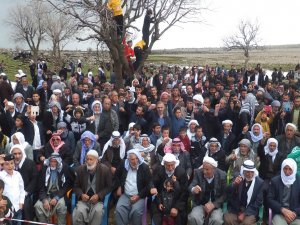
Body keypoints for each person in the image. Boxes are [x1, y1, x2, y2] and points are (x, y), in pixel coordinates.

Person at [72, 150, 112, 225]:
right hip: (84, 200)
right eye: (87, 159)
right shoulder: (80, 170)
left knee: (98, 212)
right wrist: (81, 195)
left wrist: (99, 195)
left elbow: (109, 187)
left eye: (91, 159)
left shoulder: (105, 170)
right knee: (78, 212)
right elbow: (76, 186)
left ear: (97, 160)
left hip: (98, 201)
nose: (89, 161)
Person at [114, 149, 151, 225]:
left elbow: (148, 185)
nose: (135, 161)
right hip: (126, 194)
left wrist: (138, 196)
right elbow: (116, 176)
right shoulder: (124, 164)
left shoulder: (144, 167)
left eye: (136, 158)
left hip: (140, 195)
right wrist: (119, 187)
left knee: (136, 211)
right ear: (128, 159)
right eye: (132, 159)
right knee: (119, 209)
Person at [34, 153, 73, 225]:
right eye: (51, 161)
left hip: (59, 194)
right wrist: (44, 200)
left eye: (55, 162)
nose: (53, 163)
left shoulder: (64, 169)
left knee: (62, 206)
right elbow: (41, 187)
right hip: (46, 194)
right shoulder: (44, 169)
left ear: (58, 162)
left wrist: (57, 198)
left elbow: (65, 187)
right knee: (38, 206)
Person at [151, 153, 188, 225]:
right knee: (157, 217)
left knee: (178, 219)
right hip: (161, 200)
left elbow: (184, 193)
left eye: (172, 165)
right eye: (168, 166)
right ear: (164, 164)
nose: (170, 168)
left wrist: (176, 207)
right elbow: (153, 184)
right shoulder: (159, 170)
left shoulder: (181, 172)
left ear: (175, 164)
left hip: (176, 201)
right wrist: (159, 202)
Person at [188, 156, 226, 225]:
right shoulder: (198, 172)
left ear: (214, 169)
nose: (204, 172)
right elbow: (191, 186)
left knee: (217, 220)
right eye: (203, 169)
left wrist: (213, 205)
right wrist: (193, 189)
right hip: (200, 203)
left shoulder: (222, 175)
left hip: (215, 205)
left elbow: (224, 194)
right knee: (193, 217)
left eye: (207, 169)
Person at [224, 160, 264, 225]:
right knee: (228, 219)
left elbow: (258, 202)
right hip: (235, 209)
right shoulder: (237, 177)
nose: (250, 174)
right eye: (247, 172)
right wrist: (234, 184)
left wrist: (244, 214)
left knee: (246, 223)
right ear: (243, 171)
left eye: (252, 172)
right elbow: (227, 193)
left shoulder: (259, 183)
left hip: (250, 211)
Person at [10, 144, 38, 222]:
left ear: (23, 153)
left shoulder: (30, 163)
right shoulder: (8, 165)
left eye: (19, 153)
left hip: (26, 192)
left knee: (26, 205)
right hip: (11, 193)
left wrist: (25, 192)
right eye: (15, 154)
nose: (17, 156)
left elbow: (34, 179)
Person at [268, 158, 300, 225]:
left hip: (295, 214)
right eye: (285, 168)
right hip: (279, 212)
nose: (287, 172)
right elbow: (269, 199)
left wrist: (294, 213)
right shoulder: (275, 181)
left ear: (294, 169)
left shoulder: (298, 181)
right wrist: (282, 209)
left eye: (290, 169)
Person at [0, 154, 25, 225]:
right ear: (2, 165)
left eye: (12, 163)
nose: (10, 166)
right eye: (7, 164)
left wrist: (21, 202)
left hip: (18, 207)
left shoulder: (18, 174)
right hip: (6, 208)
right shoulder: (1, 175)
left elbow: (22, 189)